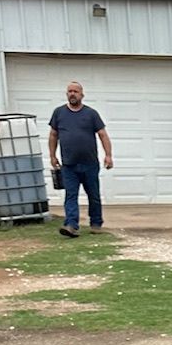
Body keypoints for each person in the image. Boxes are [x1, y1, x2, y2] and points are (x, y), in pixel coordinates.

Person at [48, 81, 112, 237]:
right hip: (69, 165)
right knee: (71, 195)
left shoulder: (91, 114)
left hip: (89, 164)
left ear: (82, 94)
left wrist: (108, 155)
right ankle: (71, 225)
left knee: (94, 195)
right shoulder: (59, 113)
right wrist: (52, 155)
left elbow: (102, 135)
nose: (72, 94)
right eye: (69, 91)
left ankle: (96, 223)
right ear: (66, 94)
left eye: (75, 91)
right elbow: (53, 135)